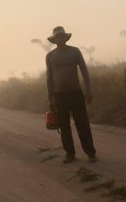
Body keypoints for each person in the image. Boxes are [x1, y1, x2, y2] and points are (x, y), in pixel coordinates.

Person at [46, 26, 97, 163]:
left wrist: (88, 89)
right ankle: (69, 153)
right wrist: (50, 98)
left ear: (65, 37)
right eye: (57, 37)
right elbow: (49, 77)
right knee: (64, 126)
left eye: (62, 36)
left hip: (75, 92)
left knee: (82, 124)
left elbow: (84, 70)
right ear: (54, 40)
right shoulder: (50, 56)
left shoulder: (75, 51)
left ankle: (90, 152)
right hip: (59, 95)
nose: (60, 39)